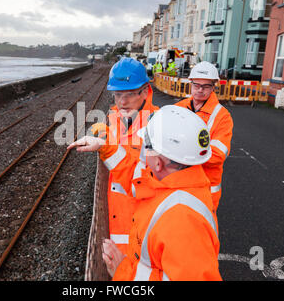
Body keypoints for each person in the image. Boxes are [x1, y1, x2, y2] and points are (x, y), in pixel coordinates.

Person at [68, 106, 221, 281]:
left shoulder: (182, 221)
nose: (143, 151)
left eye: (146, 147)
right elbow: (136, 180)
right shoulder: (171, 182)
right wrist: (105, 146)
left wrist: (124, 271)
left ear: (158, 163)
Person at [91, 57, 159, 255]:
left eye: (130, 94)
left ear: (145, 91)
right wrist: (105, 136)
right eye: (117, 94)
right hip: (118, 224)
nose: (122, 101)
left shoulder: (158, 126)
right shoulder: (116, 120)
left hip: (143, 232)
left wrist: (108, 148)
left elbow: (152, 183)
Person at [175, 61, 233, 215]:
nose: (200, 90)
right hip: (176, 184)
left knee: (201, 234)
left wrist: (179, 153)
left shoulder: (222, 117)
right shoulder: (178, 108)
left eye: (206, 86)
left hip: (204, 190)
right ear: (191, 83)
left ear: (213, 86)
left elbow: (218, 155)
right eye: (196, 85)